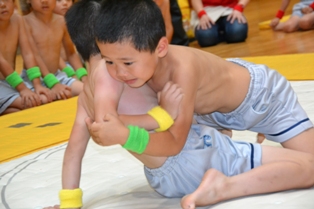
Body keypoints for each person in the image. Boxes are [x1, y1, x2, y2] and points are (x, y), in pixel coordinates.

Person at [44, 0, 314, 209]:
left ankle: (228, 147)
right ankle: (224, 160)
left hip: (262, 97)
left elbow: (112, 129)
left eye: (125, 62)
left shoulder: (168, 69)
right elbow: (123, 126)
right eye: (110, 62)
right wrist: (156, 119)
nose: (119, 73)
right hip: (206, 116)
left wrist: (71, 200)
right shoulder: (129, 68)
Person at [21, 0, 86, 100]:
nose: (45, 1)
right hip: (34, 79)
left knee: (87, 90)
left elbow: (71, 53)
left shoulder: (61, 21)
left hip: (58, 75)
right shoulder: (24, 22)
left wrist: (83, 76)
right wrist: (53, 83)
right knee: (43, 100)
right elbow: (34, 56)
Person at [0, 0, 52, 115]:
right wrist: (23, 89)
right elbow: (1, 62)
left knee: (43, 98)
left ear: (14, 3)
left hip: (9, 82)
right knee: (33, 102)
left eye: (6, 0)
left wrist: (37, 84)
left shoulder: (18, 20)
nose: (2, 4)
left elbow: (28, 53)